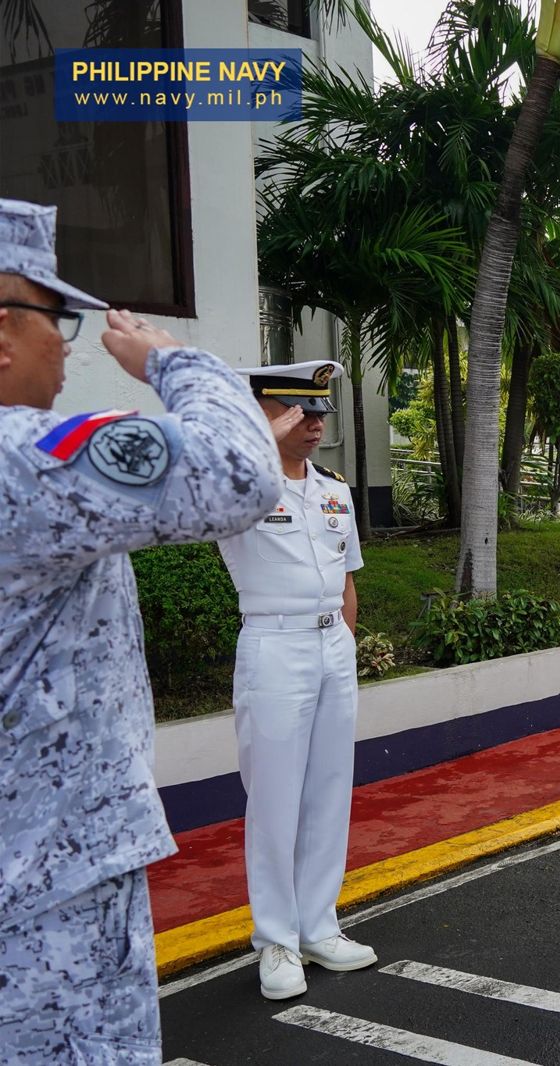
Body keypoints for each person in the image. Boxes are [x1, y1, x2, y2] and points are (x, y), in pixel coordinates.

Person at [0, 198, 280, 1061]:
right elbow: (238, 476)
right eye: (61, 318)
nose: (68, 345)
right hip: (49, 887)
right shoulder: (27, 458)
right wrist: (176, 363)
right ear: (4, 327)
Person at [217, 361, 375, 1000]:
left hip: (330, 646)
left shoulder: (333, 488)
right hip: (274, 646)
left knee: (328, 792)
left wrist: (343, 639)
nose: (313, 424)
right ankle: (276, 939)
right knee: (276, 798)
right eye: (297, 411)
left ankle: (318, 924)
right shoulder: (240, 485)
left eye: (319, 413)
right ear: (263, 412)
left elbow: (349, 577)